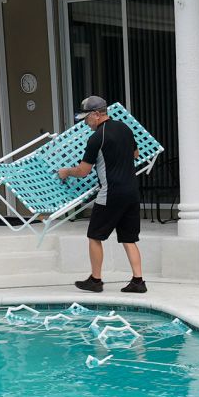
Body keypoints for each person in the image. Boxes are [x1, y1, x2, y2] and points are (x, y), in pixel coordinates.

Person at [56, 96, 145, 294]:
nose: (86, 122)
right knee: (129, 238)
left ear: (97, 114)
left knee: (94, 236)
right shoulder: (124, 128)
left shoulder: (97, 137)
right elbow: (136, 154)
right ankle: (138, 281)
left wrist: (65, 172)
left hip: (111, 193)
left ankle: (95, 280)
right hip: (131, 192)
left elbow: (83, 171)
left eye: (87, 118)